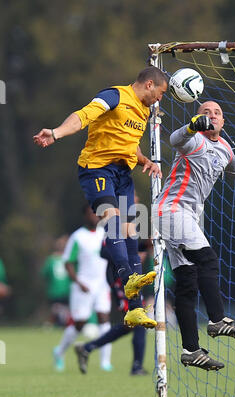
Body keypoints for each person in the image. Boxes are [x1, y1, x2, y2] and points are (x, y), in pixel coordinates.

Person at [33, 66, 168, 330]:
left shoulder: (142, 112)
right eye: (161, 93)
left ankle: (135, 308)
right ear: (149, 84)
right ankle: (128, 278)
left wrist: (144, 160)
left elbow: (128, 142)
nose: (160, 100)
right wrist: (57, 132)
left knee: (131, 231)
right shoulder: (115, 96)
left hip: (122, 174)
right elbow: (83, 116)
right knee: (114, 221)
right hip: (97, 168)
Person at [152, 101, 235, 372]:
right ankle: (217, 319)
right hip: (172, 211)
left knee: (187, 282)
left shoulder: (224, 149)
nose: (211, 115)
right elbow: (177, 138)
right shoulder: (193, 140)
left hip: (184, 217)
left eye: (217, 113)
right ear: (198, 119)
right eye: (205, 112)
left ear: (223, 122)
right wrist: (190, 127)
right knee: (208, 261)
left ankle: (191, 350)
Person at [74, 241, 149, 375]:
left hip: (135, 279)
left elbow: (138, 249)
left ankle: (87, 348)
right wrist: (129, 254)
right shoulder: (114, 225)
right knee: (138, 320)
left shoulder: (137, 225)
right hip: (121, 281)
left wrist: (145, 245)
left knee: (130, 325)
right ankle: (137, 367)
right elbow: (104, 251)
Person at [52, 204, 112, 372]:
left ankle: (105, 362)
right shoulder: (77, 237)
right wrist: (78, 282)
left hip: (102, 284)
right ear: (85, 216)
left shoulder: (104, 234)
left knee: (104, 318)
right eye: (90, 213)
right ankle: (59, 351)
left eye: (96, 213)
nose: (94, 216)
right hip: (83, 285)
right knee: (80, 323)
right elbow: (68, 263)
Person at [41, 235, 71, 327]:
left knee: (60, 309)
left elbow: (45, 274)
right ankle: (53, 324)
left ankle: (53, 324)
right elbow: (45, 273)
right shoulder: (53, 259)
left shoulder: (67, 258)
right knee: (58, 309)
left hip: (64, 290)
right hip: (58, 290)